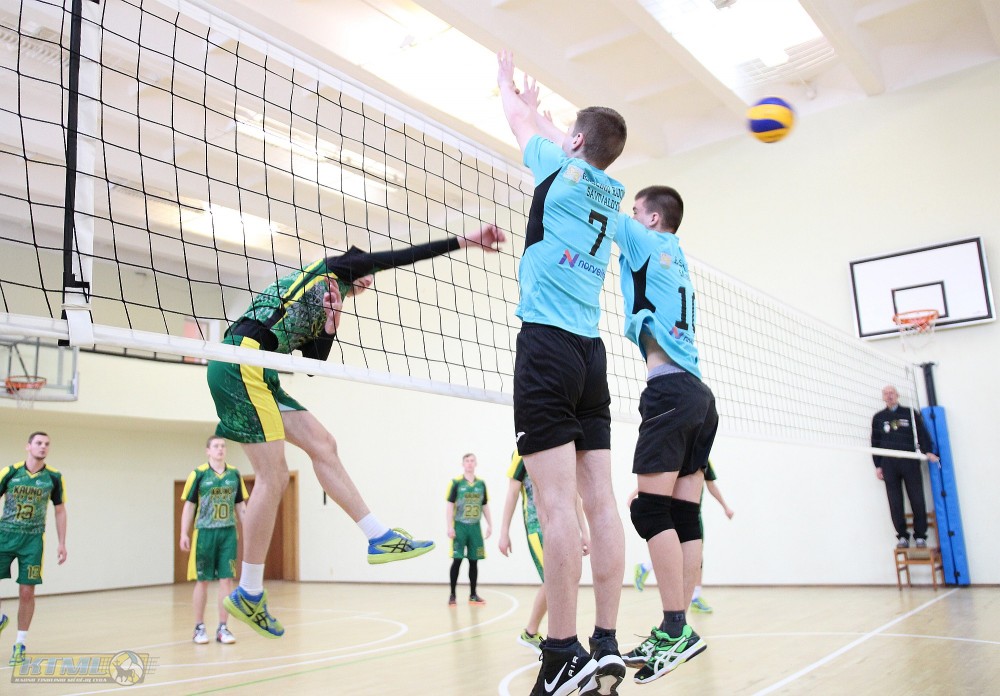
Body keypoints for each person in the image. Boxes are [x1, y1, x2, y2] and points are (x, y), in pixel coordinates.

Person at [208, 223, 505, 639]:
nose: (369, 280)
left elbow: (313, 365)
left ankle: (378, 536)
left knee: (324, 445)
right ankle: (249, 591)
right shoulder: (336, 269)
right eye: (367, 273)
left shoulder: (331, 297)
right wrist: (464, 241)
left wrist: (332, 322)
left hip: (262, 370)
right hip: (240, 363)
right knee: (273, 477)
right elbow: (402, 256)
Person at [497, 49, 628, 696]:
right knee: (599, 502)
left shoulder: (558, 167)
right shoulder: (611, 190)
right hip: (590, 356)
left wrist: (507, 85)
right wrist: (556, 123)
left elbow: (518, 122)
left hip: (546, 348)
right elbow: (567, 140)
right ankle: (605, 642)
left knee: (554, 506)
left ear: (575, 142)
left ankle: (561, 654)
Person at [613, 186, 717, 684]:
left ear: (653, 219)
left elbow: (594, 203)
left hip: (670, 391)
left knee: (649, 511)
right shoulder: (676, 254)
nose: (631, 217)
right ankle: (679, 627)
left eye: (637, 212)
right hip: (699, 396)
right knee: (682, 514)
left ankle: (675, 628)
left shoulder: (645, 239)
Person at [497, 449, 590, 655]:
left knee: (560, 579)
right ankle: (549, 638)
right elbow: (512, 492)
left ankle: (534, 633)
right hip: (536, 527)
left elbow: (574, 494)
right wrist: (504, 532)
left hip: (563, 527)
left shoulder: (562, 451)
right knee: (555, 579)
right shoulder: (522, 452)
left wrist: (584, 531)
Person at [630, 461, 735, 616]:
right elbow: (659, 479)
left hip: (693, 514)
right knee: (680, 551)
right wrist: (634, 495)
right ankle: (646, 568)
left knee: (695, 554)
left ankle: (694, 597)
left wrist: (725, 507)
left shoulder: (703, 459)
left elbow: (711, 484)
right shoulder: (679, 454)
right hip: (677, 512)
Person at [0, 432, 67, 666]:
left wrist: (62, 542)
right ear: (28, 446)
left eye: (47, 444)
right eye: (38, 443)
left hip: (32, 541)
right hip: (4, 535)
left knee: (27, 592)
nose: (43, 447)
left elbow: (60, 510)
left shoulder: (54, 477)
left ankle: (20, 644)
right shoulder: (10, 472)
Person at [179, 436, 249, 644]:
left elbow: (241, 507)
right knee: (202, 581)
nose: (220, 449)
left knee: (226, 580)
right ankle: (199, 627)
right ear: (208, 451)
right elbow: (189, 506)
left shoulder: (234, 474)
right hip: (205, 533)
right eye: (216, 446)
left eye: (223, 446)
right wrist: (184, 533)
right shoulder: (198, 474)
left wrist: (249, 532)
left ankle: (223, 627)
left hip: (228, 532)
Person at [871, 385, 939, 548]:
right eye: (886, 393)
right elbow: (875, 442)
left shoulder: (910, 413)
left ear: (897, 395)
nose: (889, 395)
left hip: (909, 461)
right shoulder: (878, 417)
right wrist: (878, 465)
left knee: (917, 498)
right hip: (889, 463)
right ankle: (902, 536)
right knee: (894, 501)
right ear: (883, 397)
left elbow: (921, 434)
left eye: (892, 393)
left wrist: (928, 451)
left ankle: (920, 536)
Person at [446, 453, 493, 605]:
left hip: (475, 527)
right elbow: (450, 505)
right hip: (460, 525)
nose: (470, 463)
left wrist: (490, 524)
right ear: (463, 464)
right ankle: (452, 594)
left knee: (474, 561)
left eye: (472, 461)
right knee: (457, 560)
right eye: (467, 461)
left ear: (476, 463)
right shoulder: (456, 483)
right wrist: (449, 527)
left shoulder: (481, 484)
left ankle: (473, 594)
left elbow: (484, 504)